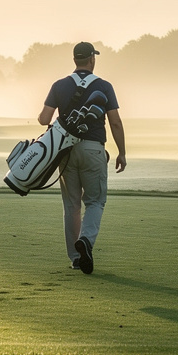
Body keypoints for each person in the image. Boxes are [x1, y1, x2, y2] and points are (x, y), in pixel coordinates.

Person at [37, 42, 126, 274]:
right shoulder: (104, 86)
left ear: (74, 60)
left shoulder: (59, 85)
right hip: (94, 149)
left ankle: (76, 258)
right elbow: (115, 122)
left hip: (66, 152)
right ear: (92, 59)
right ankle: (85, 240)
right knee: (95, 201)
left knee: (71, 205)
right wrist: (122, 153)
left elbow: (44, 118)